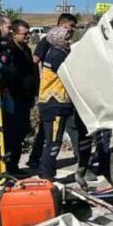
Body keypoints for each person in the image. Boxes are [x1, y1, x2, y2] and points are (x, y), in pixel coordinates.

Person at [35, 14, 94, 184]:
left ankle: (59, 171)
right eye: (67, 38)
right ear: (59, 38)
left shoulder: (59, 52)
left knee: (65, 138)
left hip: (61, 104)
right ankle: (46, 174)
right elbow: (71, 75)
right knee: (53, 141)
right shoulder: (57, 54)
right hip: (54, 104)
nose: (69, 40)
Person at [0, 19, 38, 175]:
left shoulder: (26, 50)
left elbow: (31, 74)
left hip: (25, 98)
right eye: (25, 34)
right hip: (13, 98)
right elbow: (8, 74)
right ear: (14, 34)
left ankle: (14, 165)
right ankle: (9, 167)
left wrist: (34, 93)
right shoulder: (8, 51)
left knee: (22, 131)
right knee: (12, 134)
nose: (28, 36)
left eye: (29, 33)